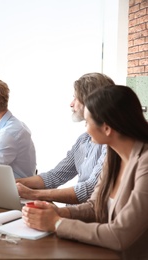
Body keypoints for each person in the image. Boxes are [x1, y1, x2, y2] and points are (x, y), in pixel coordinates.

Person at [22, 85, 148, 259]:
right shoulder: (113, 155)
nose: (86, 128)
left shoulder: (145, 163)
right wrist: (58, 212)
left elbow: (120, 235)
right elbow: (95, 207)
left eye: (87, 122)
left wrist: (57, 223)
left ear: (107, 128)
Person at [16, 73, 114, 204]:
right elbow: (55, 176)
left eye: (75, 98)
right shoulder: (83, 140)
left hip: (89, 217)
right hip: (75, 213)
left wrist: (34, 194)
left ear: (90, 101)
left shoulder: (110, 144)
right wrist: (14, 183)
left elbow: (90, 189)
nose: (71, 104)